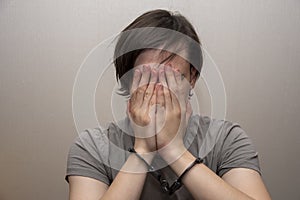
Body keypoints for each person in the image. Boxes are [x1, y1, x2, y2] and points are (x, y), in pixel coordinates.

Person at [65, 9, 271, 200]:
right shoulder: (92, 146)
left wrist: (174, 150)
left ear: (192, 78)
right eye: (146, 77)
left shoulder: (227, 139)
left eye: (170, 77)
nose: (159, 89)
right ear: (128, 81)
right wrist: (143, 149)